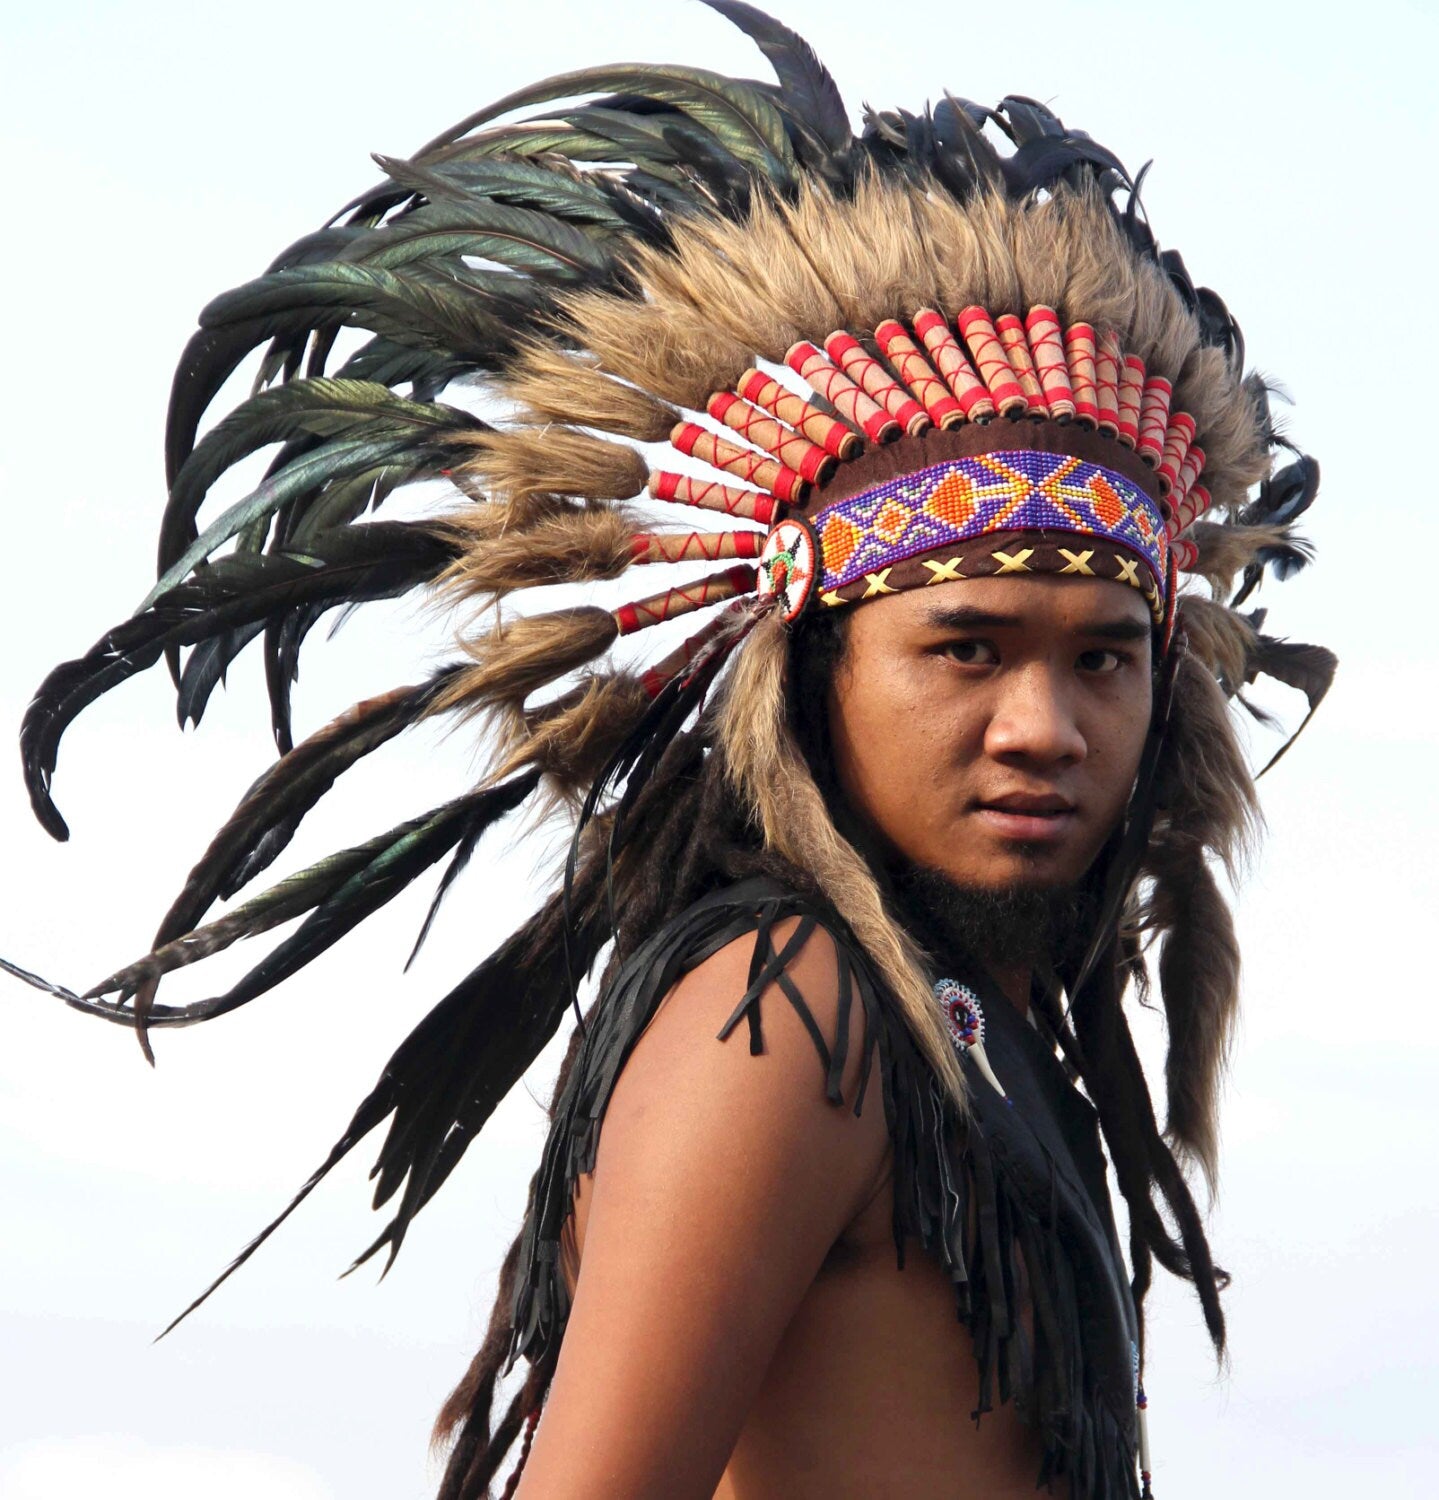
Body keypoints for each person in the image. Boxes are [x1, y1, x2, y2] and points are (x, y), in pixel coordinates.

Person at [6, 5, 1335, 1496]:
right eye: (966, 648)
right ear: (813, 664)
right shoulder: (786, 1016)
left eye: (1104, 658)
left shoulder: (973, 1024)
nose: (1044, 727)